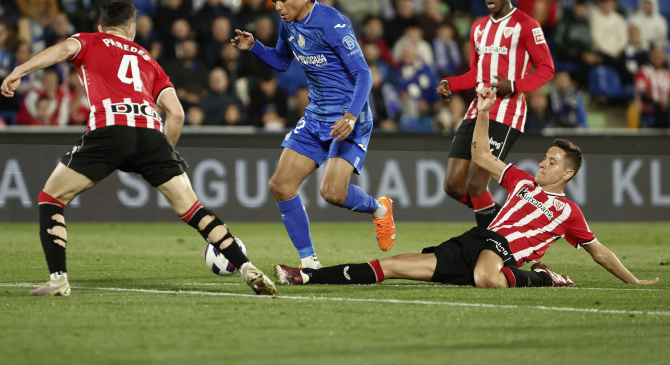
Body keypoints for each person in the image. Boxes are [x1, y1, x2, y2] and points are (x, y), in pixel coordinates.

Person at [0, 0, 276, 297]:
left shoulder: (89, 40)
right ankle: (247, 266)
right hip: (150, 134)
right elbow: (177, 113)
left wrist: (20, 70)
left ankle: (58, 280)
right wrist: (163, 154)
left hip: (111, 128)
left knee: (51, 198)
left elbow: (64, 49)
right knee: (195, 211)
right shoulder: (148, 58)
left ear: (100, 26)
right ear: (132, 29)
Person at [274, 87, 660, 289]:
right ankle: (307, 276)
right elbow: (480, 155)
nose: (543, 163)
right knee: (391, 267)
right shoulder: (520, 180)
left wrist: (635, 281)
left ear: (568, 175)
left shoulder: (568, 213)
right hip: (477, 241)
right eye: (545, 157)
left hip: (504, 253)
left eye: (552, 162)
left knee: (487, 277)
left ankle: (543, 277)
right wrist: (485, 112)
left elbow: (600, 252)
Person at [231, 0, 395, 269]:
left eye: (283, 0)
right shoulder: (288, 25)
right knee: (280, 185)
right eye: (273, 2)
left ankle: (379, 209)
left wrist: (351, 115)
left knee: (332, 192)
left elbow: (363, 74)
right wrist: (254, 47)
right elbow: (281, 61)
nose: (278, 7)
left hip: (349, 119)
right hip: (316, 116)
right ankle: (310, 263)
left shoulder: (332, 22)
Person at [437, 0, 555, 228]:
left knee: (478, 184)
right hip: (477, 110)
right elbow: (477, 74)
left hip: (507, 113)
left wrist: (515, 84)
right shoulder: (478, 27)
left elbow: (547, 68)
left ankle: (494, 242)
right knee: (453, 186)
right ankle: (509, 225)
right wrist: (450, 83)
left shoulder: (526, 25)